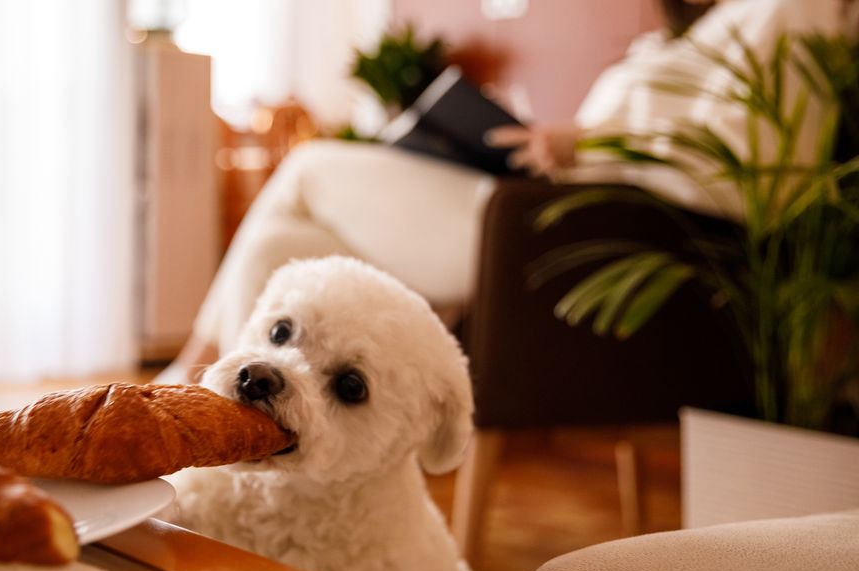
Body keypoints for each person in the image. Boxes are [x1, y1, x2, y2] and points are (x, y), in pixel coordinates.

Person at [158, 0, 855, 384]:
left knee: (308, 170)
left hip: (576, 247)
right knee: (283, 246)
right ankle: (236, 446)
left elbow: (758, 176)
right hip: (541, 212)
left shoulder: (790, 11)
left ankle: (191, 374)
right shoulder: (698, 30)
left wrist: (587, 144)